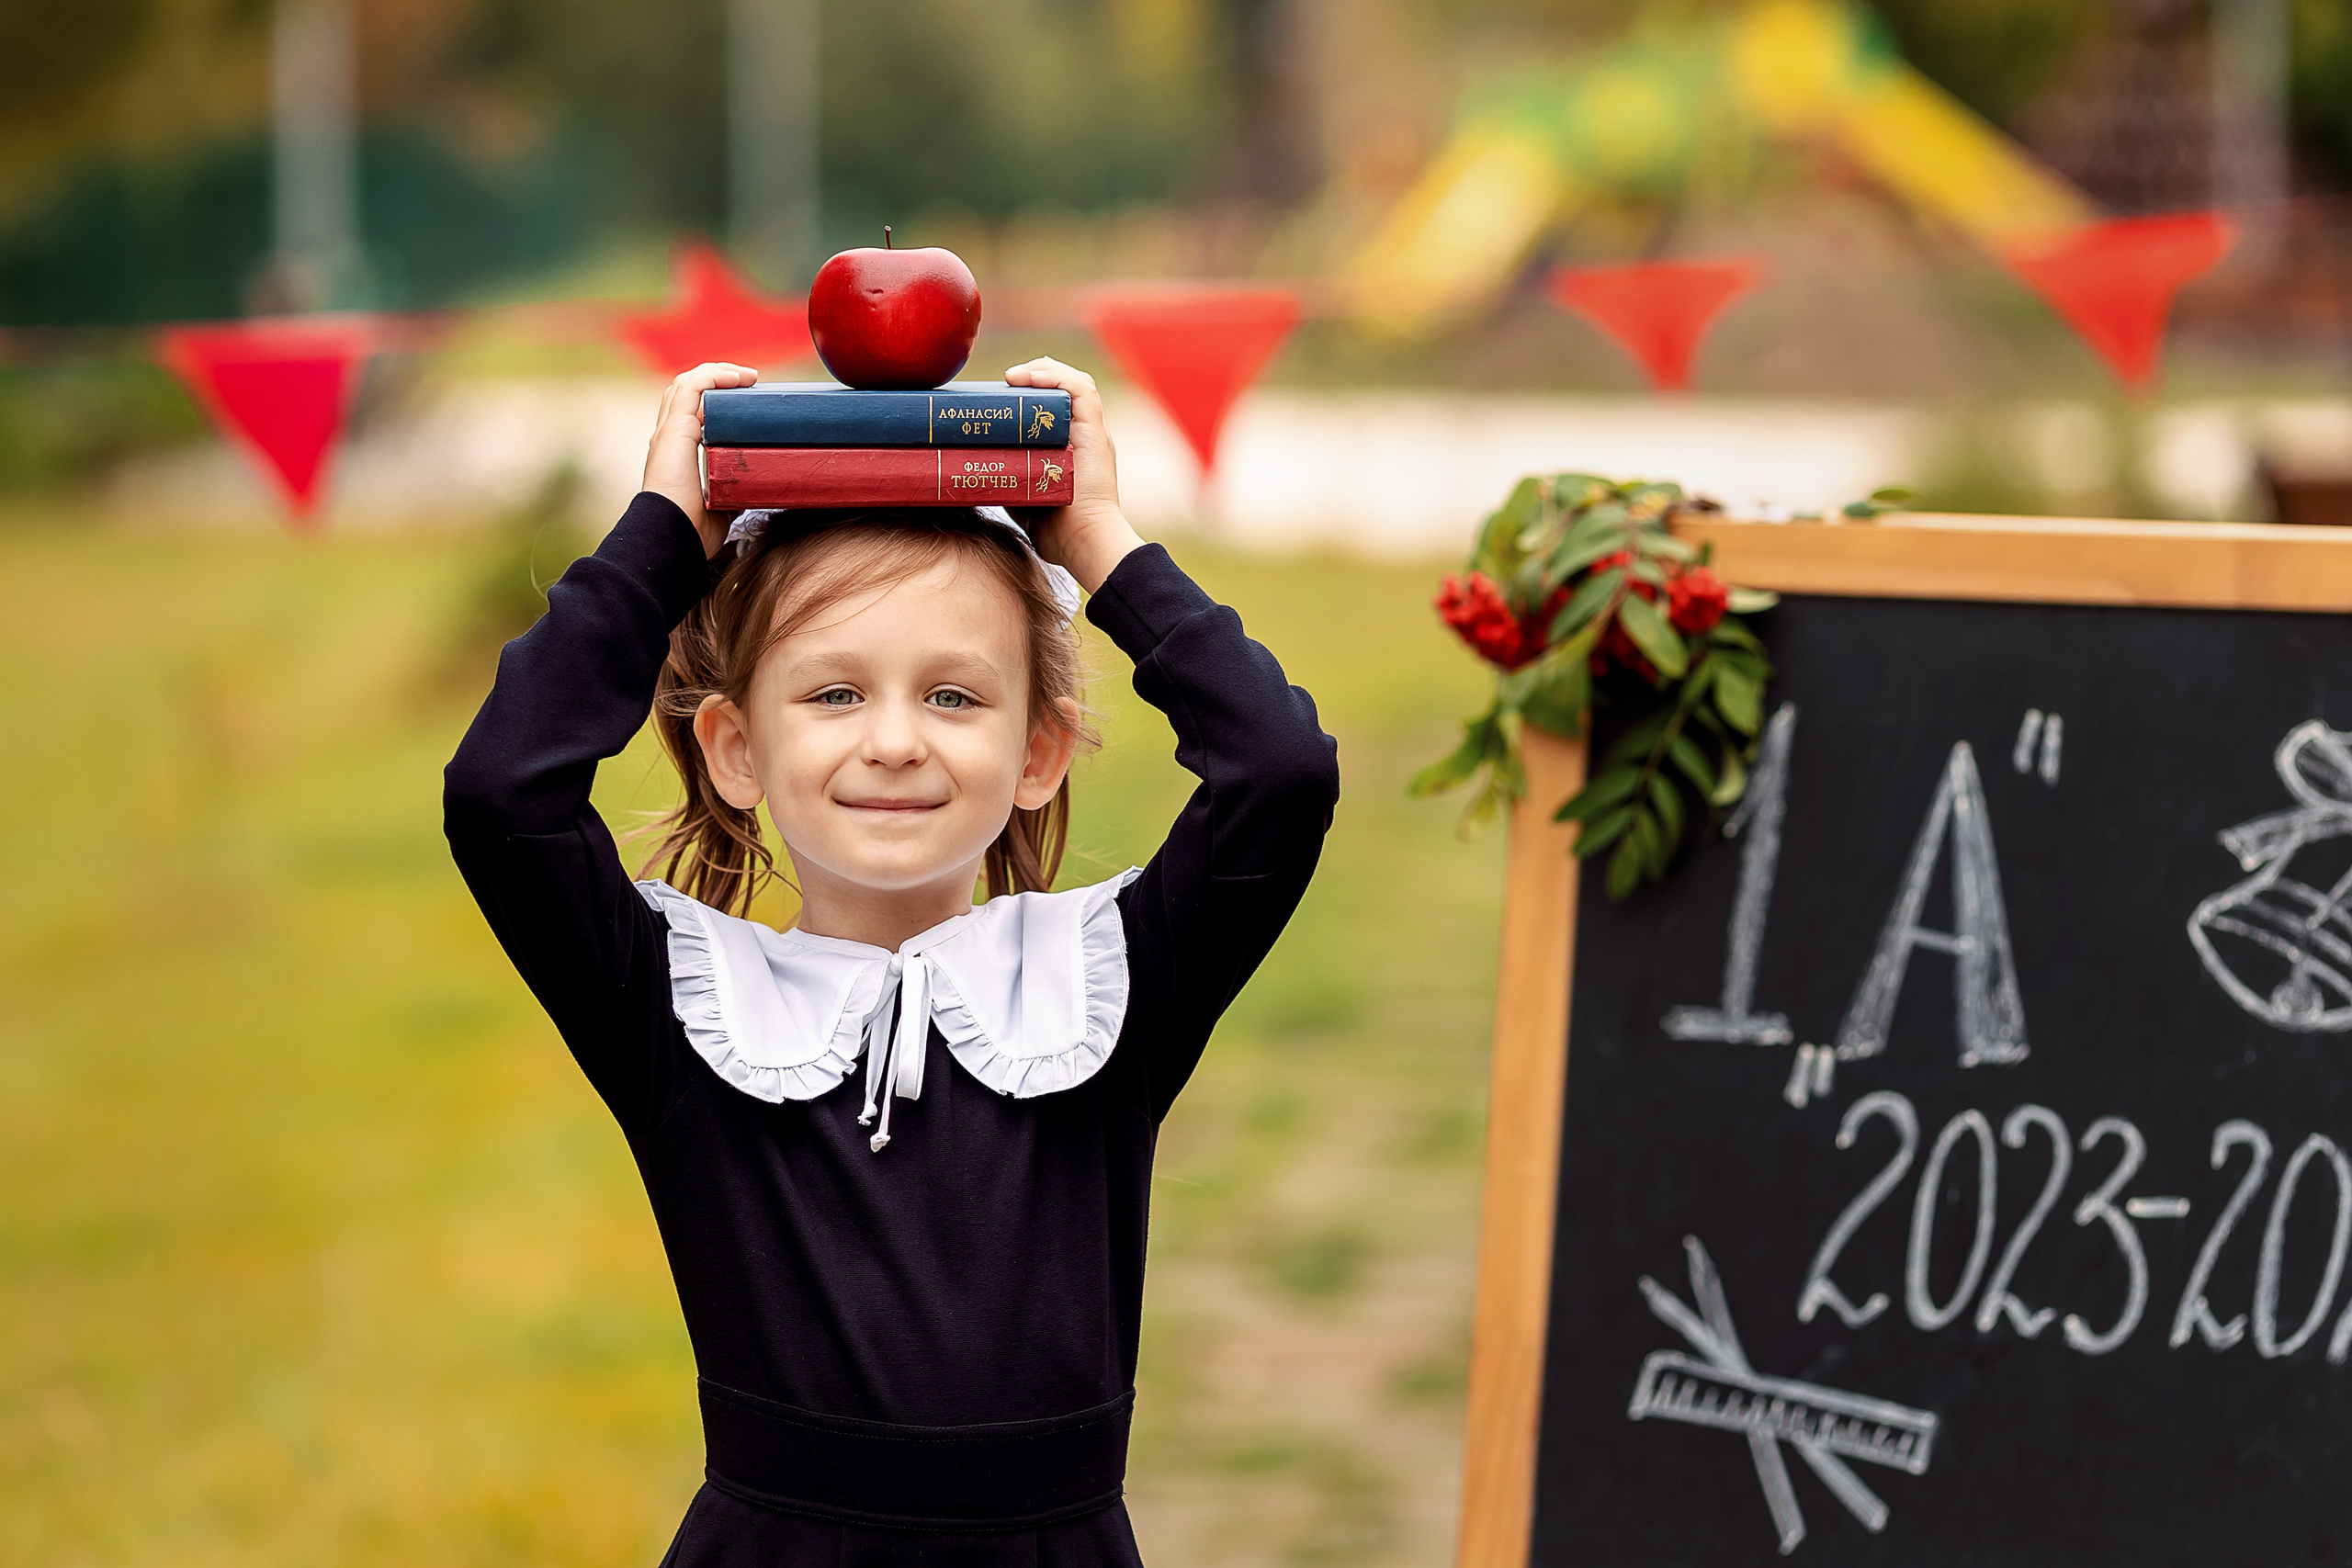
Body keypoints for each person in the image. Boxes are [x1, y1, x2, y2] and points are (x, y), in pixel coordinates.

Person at [443, 357, 1340, 1565]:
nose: (897, 740)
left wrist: (1097, 539)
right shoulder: (678, 1003)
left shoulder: (1105, 982)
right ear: (734, 751)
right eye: (833, 692)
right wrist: (666, 532)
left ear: (1040, 754)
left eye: (957, 697)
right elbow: (502, 791)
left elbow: (1279, 774)